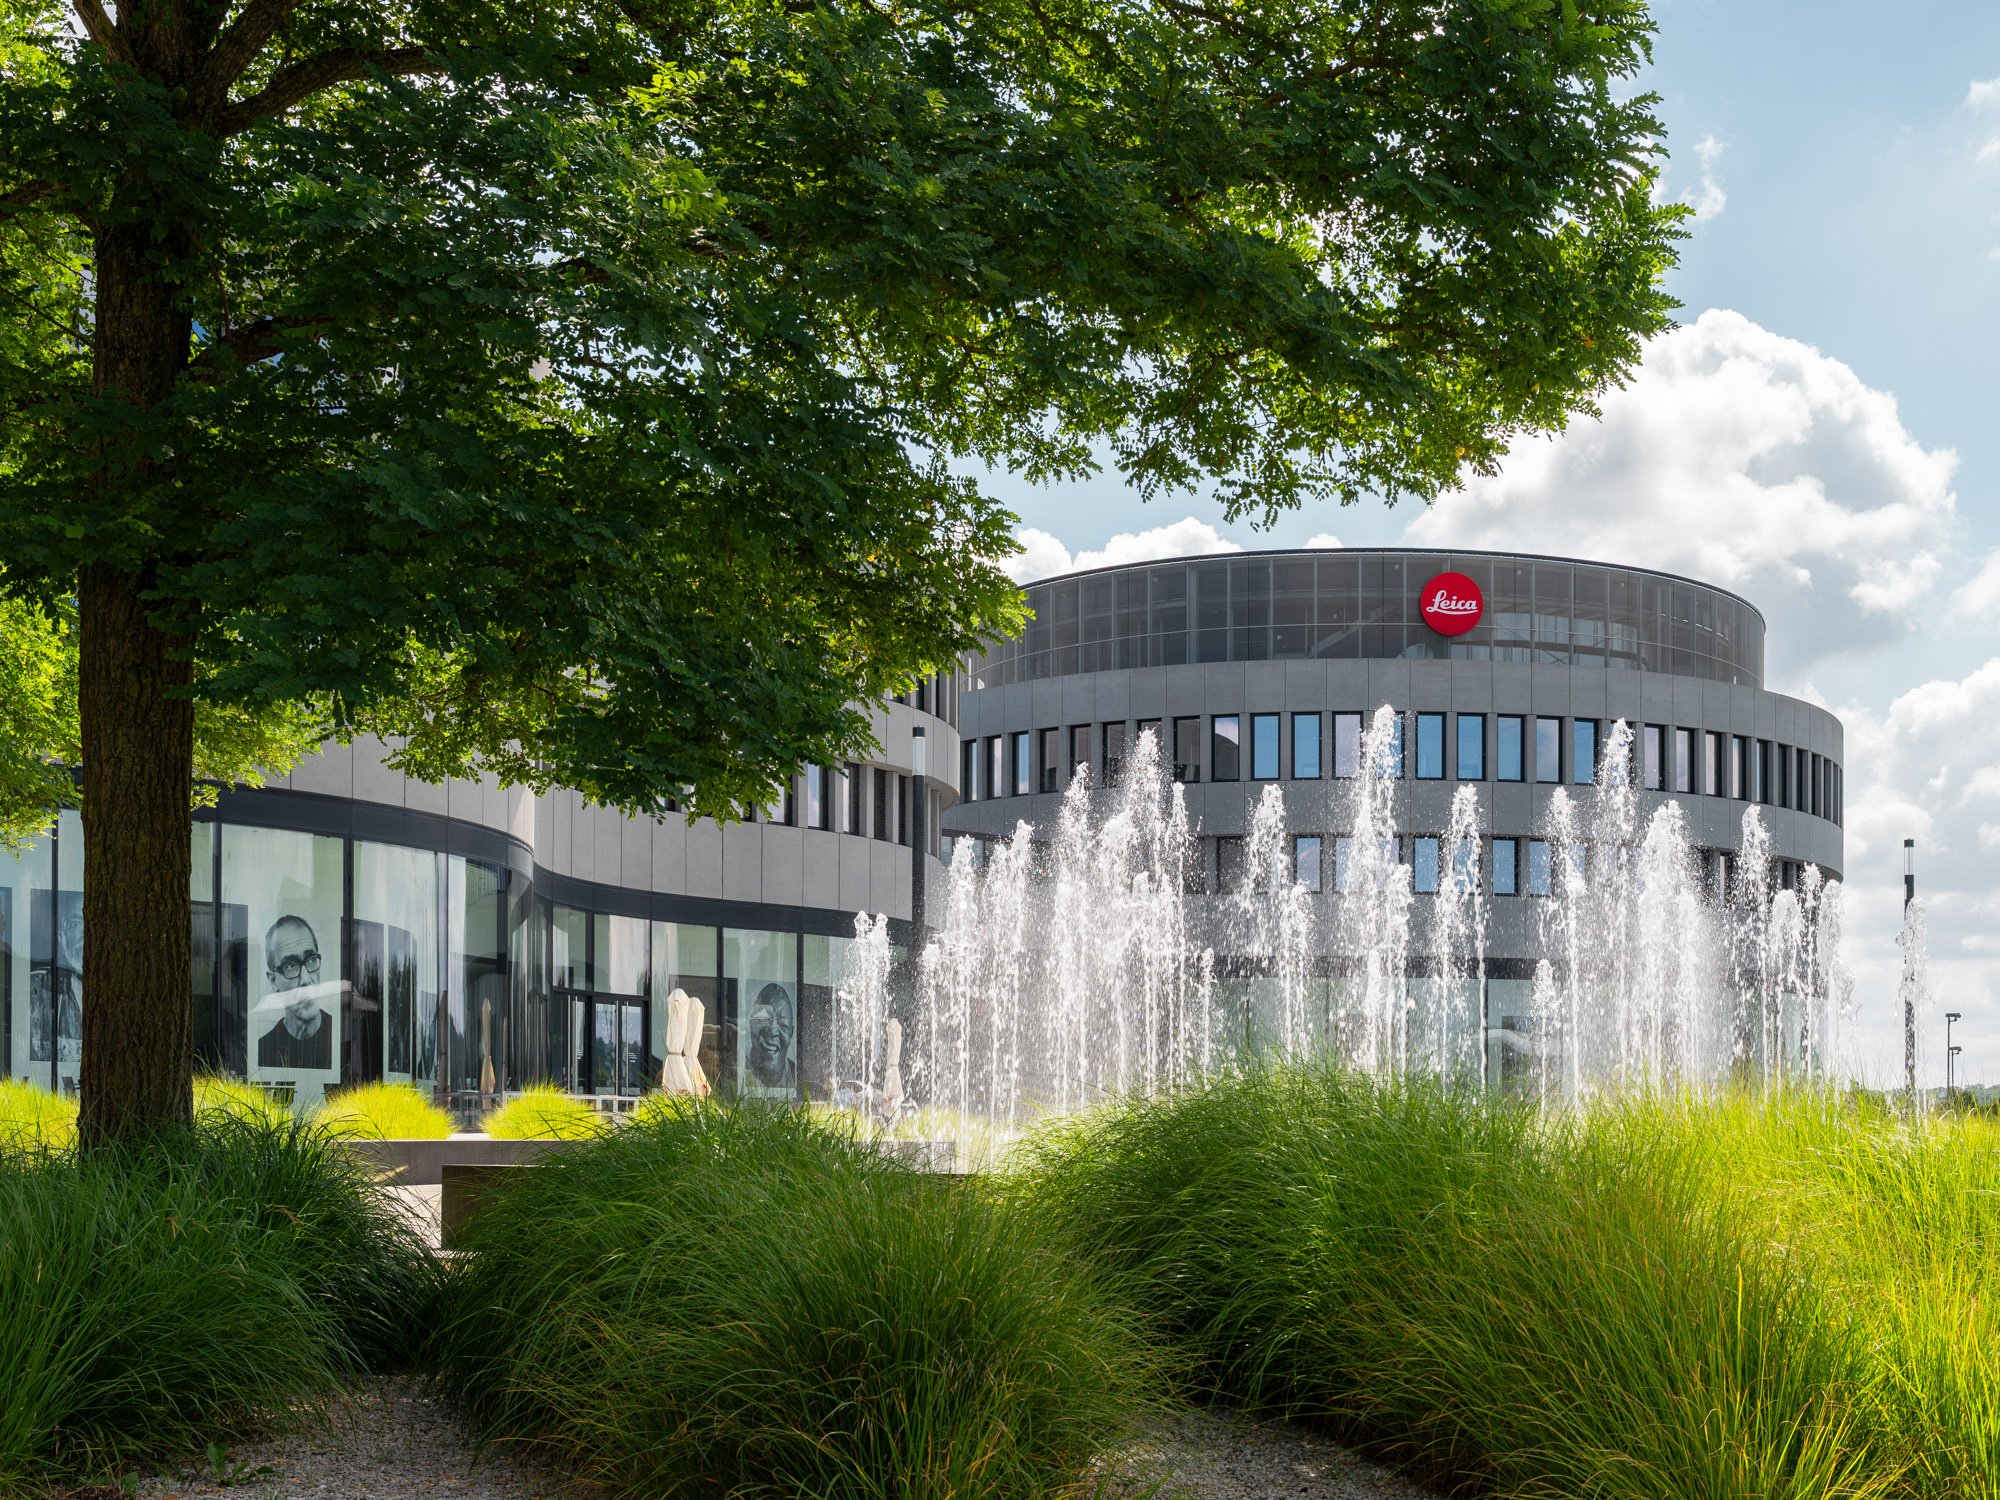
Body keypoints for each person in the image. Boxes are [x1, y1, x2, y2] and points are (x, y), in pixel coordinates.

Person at [257, 914, 332, 1070]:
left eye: (311, 959)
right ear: (273, 981)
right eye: (290, 965)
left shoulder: (339, 1037)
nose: (305, 979)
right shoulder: (264, 1049)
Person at [745, 982, 796, 1091]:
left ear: (791, 1033)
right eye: (764, 1020)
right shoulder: (735, 1072)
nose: (773, 1032)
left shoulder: (803, 1080)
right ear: (751, 1025)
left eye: (783, 1025)